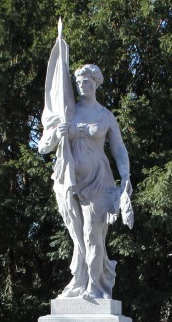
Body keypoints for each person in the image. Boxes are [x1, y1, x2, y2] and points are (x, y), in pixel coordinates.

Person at [39, 63, 133, 299]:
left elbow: (119, 149)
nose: (81, 85)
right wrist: (56, 135)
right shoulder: (66, 111)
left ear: (96, 83)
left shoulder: (105, 116)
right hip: (71, 182)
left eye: (86, 81)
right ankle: (80, 279)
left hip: (99, 181)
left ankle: (93, 286)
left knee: (93, 232)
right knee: (78, 236)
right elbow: (43, 147)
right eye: (79, 81)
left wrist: (126, 176)